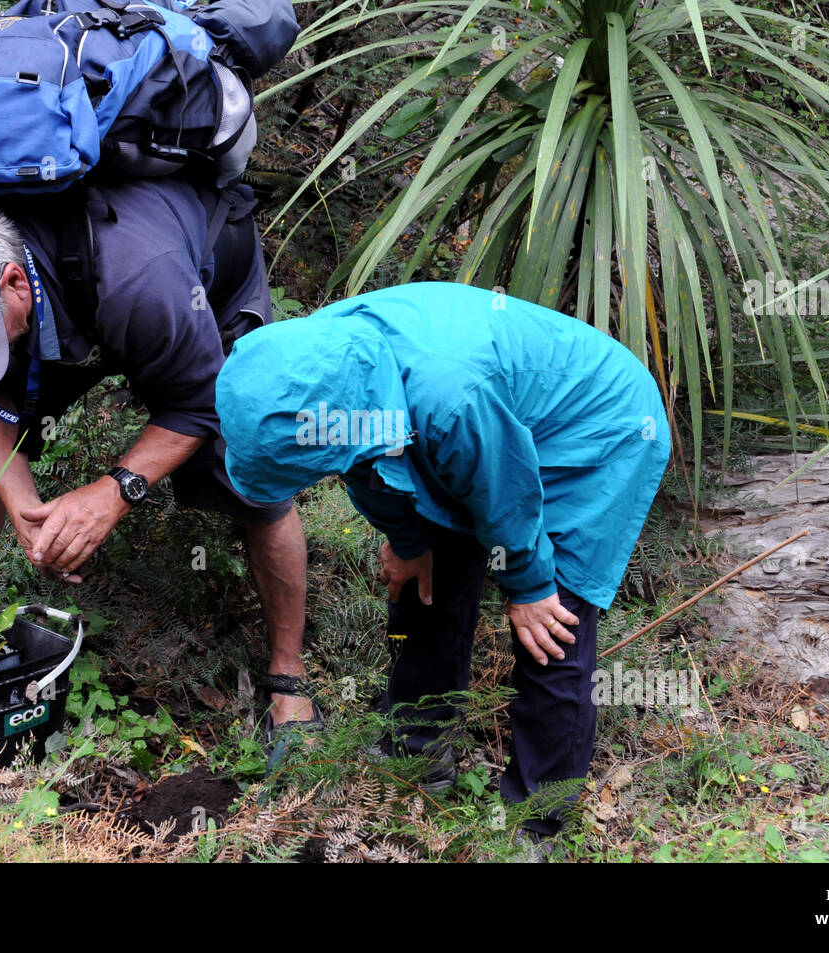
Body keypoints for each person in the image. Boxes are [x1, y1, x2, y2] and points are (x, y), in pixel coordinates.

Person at [214, 281, 671, 842]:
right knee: (424, 585)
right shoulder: (318, 362)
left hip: (594, 428)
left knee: (553, 629)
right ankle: (416, 756)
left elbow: (504, 490)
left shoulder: (448, 394)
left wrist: (528, 585)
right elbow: (363, 462)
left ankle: (532, 826)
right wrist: (409, 542)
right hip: (481, 430)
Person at [0, 169, 319, 734]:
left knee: (252, 475)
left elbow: (203, 402)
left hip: (197, 287)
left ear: (11, 282)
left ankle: (288, 677)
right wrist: (20, 501)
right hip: (64, 294)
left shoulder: (145, 284)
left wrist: (114, 492)